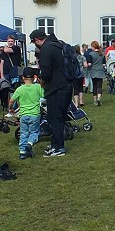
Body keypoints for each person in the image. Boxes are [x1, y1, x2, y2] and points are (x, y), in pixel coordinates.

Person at [29, 28, 69, 158]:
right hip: (66, 85)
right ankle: (56, 144)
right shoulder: (58, 45)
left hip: (55, 88)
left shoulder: (46, 49)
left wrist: (40, 79)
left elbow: (46, 72)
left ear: (36, 40)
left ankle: (58, 147)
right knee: (60, 118)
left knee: (54, 118)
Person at [10, 67, 44, 160]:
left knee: (24, 133)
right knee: (34, 132)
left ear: (23, 78)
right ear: (34, 77)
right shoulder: (37, 87)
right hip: (35, 114)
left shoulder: (19, 89)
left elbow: (11, 100)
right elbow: (44, 96)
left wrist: (11, 109)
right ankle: (30, 144)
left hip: (23, 115)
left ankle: (22, 152)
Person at [86, 40, 107, 106]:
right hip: (100, 71)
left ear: (93, 46)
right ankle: (99, 99)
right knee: (99, 86)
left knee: (94, 86)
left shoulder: (91, 54)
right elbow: (104, 64)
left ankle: (95, 100)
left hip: (93, 71)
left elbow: (89, 64)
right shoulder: (102, 54)